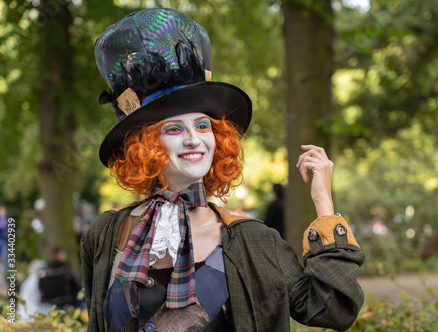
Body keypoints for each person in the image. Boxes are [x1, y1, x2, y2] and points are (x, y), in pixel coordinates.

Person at [81, 8, 364, 332]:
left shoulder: (253, 241)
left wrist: (324, 206)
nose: (194, 140)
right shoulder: (104, 235)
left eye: (203, 126)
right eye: (174, 129)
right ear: (145, 146)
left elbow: (333, 311)